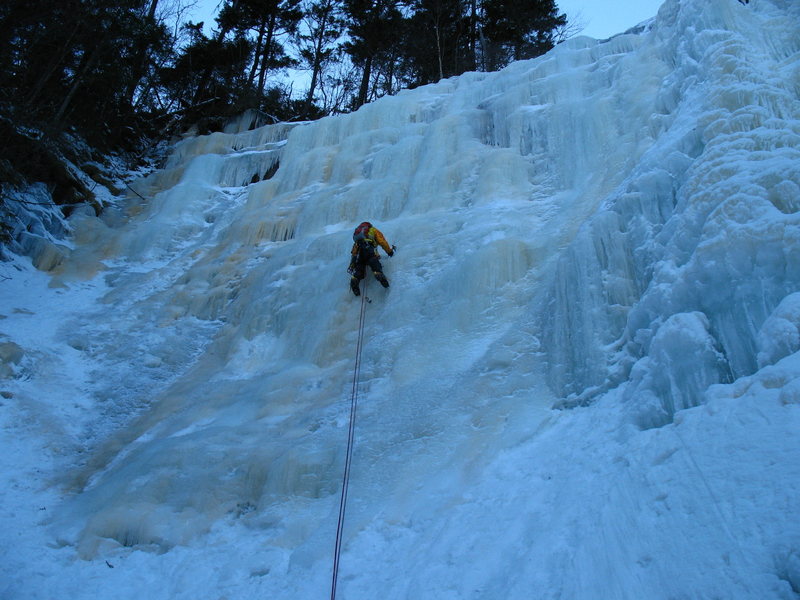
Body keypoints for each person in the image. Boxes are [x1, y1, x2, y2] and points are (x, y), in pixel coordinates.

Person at [348, 221, 395, 296]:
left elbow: (354, 252)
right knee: (374, 262)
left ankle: (355, 278)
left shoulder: (358, 237)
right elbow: (382, 242)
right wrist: (389, 252)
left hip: (359, 252)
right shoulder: (373, 230)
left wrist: (352, 264)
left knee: (360, 267)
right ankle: (378, 273)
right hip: (369, 249)